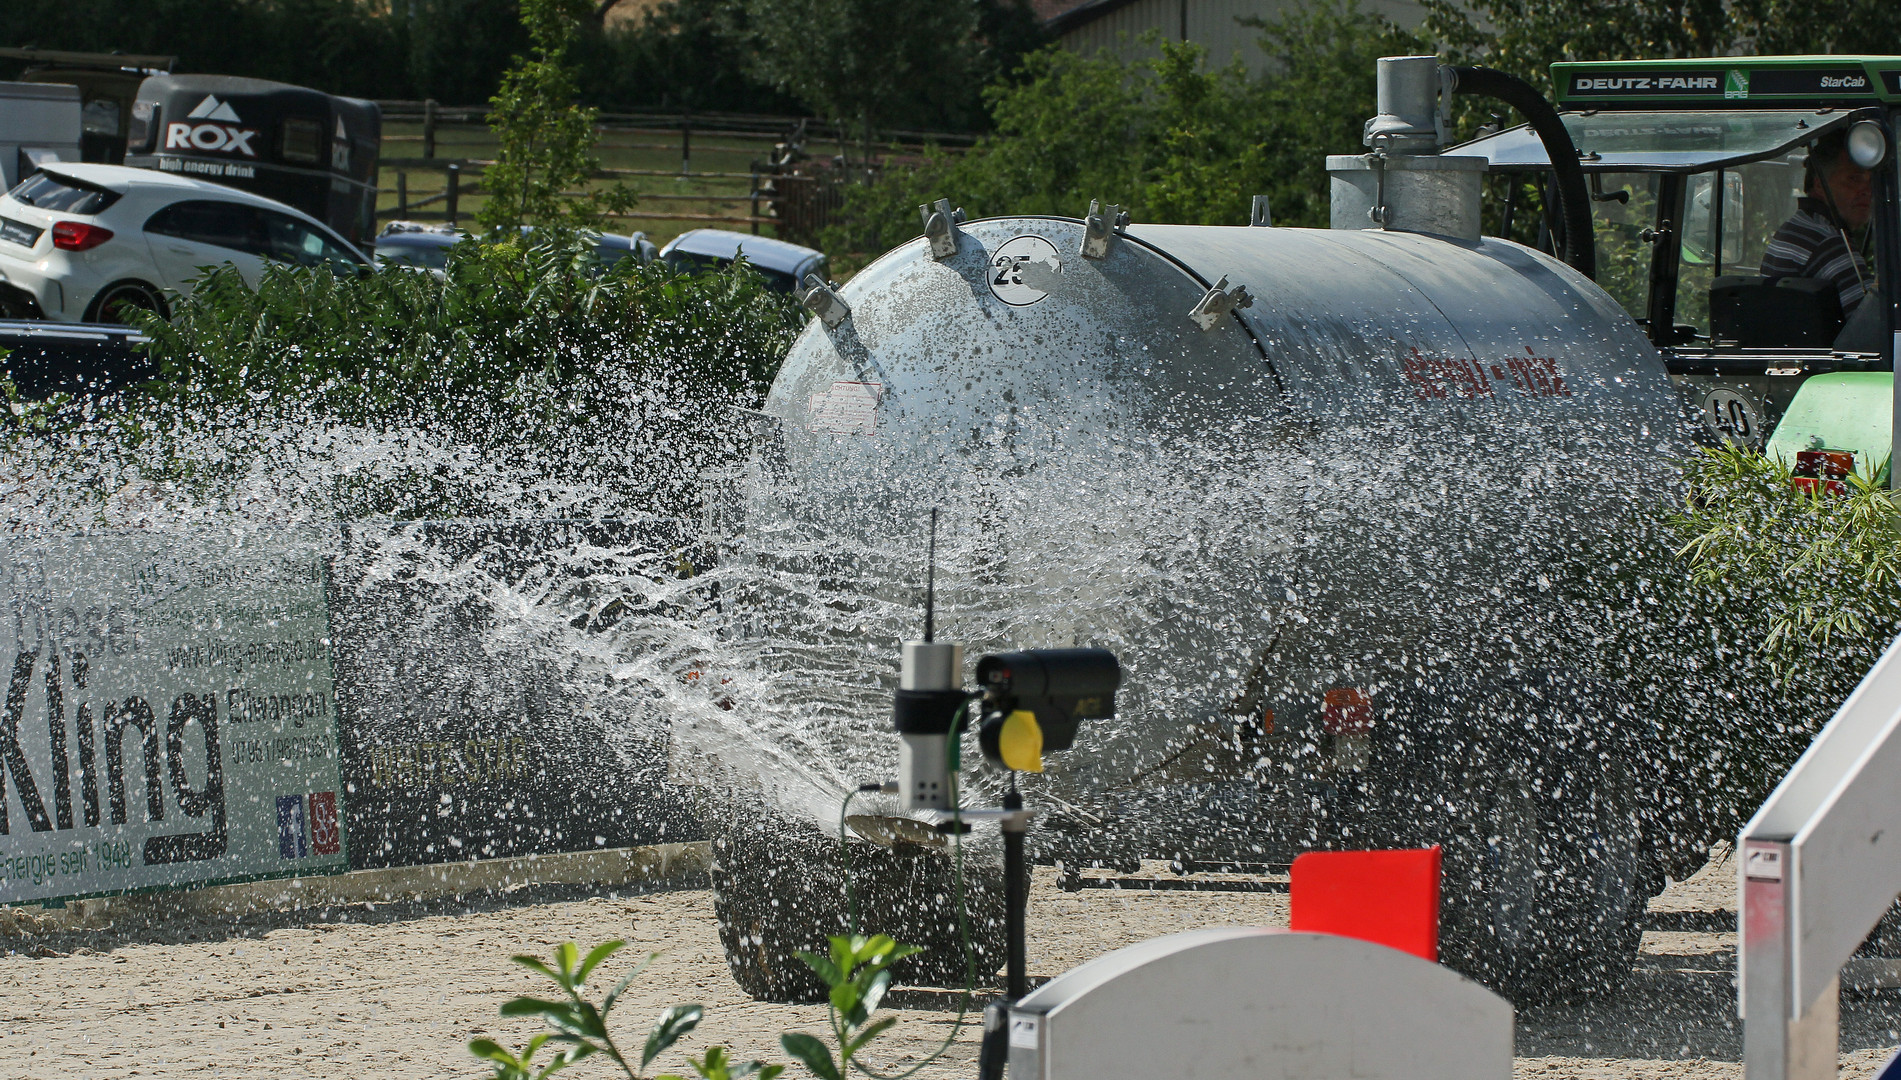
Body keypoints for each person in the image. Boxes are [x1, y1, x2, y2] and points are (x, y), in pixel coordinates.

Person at [1761, 128, 1875, 317]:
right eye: (1854, 179)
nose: (1867, 191)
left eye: (1871, 182)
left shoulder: (1796, 228)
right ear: (1820, 185)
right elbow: (1869, 325)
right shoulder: (1829, 243)